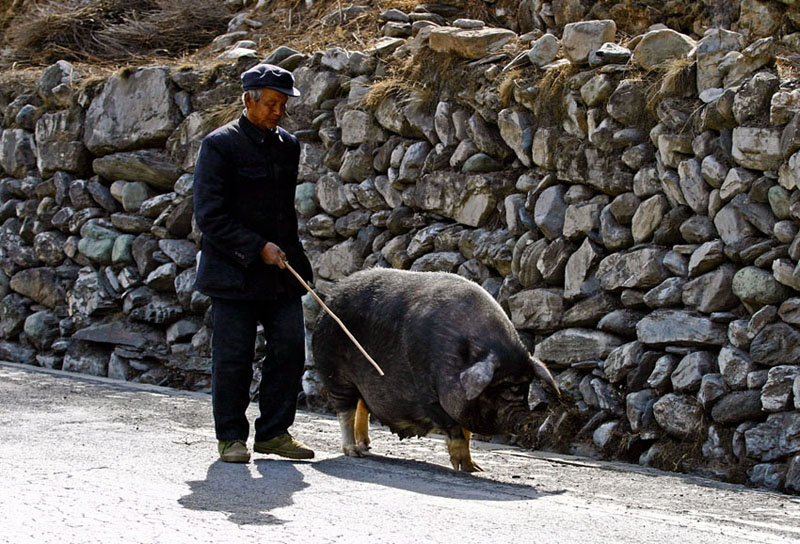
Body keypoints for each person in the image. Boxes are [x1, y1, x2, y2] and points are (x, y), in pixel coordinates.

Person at [193, 63, 315, 463]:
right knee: (234, 358)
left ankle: (274, 432)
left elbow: (284, 214)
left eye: (283, 105)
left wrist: (296, 263)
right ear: (248, 100)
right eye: (271, 104)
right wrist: (256, 245)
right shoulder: (219, 145)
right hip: (233, 273)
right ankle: (230, 437)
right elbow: (209, 216)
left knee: (290, 350)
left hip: (281, 274)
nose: (278, 112)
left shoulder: (288, 146)